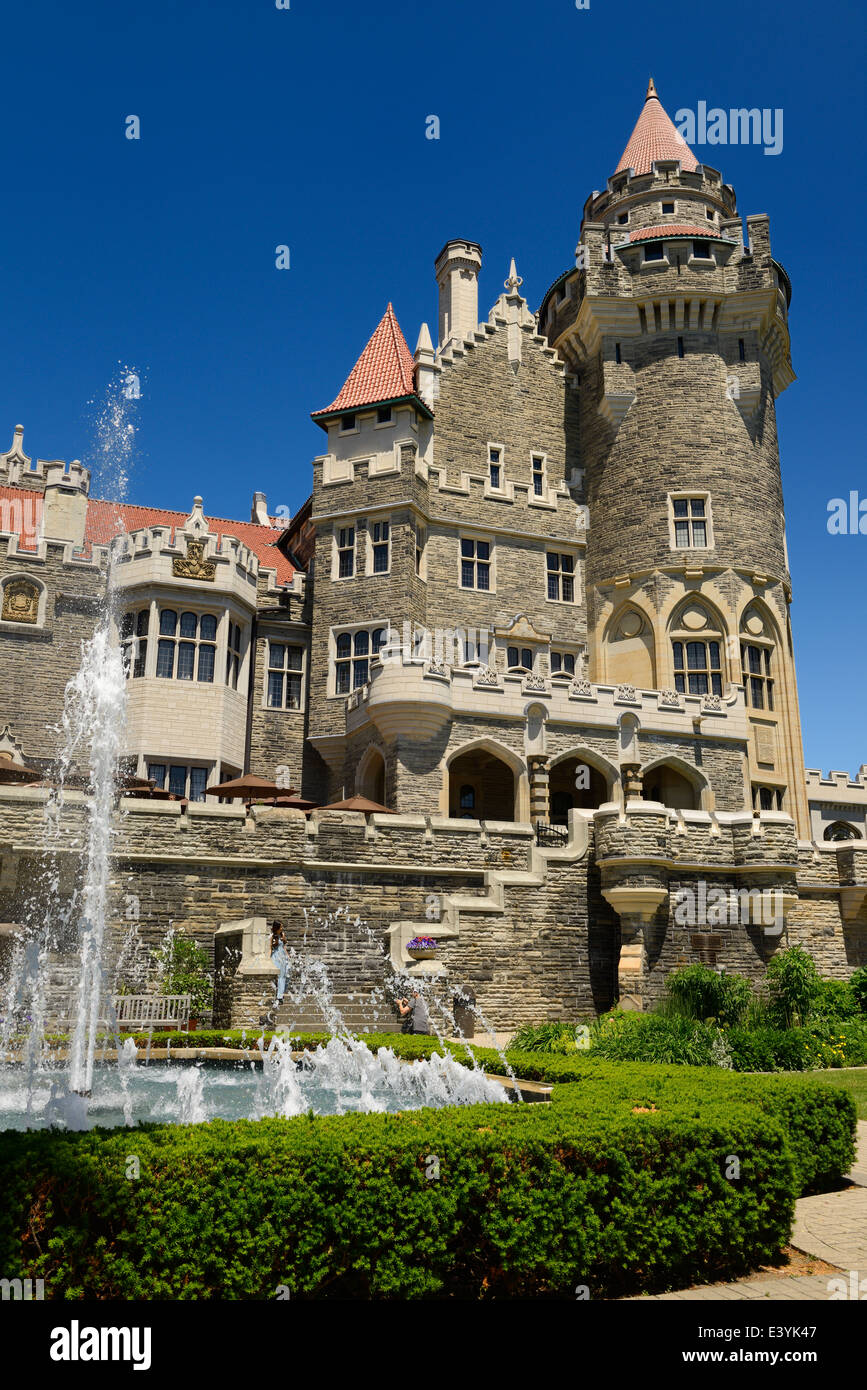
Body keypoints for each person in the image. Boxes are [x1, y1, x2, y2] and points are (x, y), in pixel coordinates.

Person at [270, 920, 289, 1006]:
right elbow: (270, 948)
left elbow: (284, 947)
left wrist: (288, 956)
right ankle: (275, 995)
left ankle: (280, 996)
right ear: (276, 928)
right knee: (276, 976)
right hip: (275, 957)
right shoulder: (272, 936)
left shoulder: (282, 935)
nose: (282, 928)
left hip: (282, 957)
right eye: (281, 927)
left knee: (283, 976)